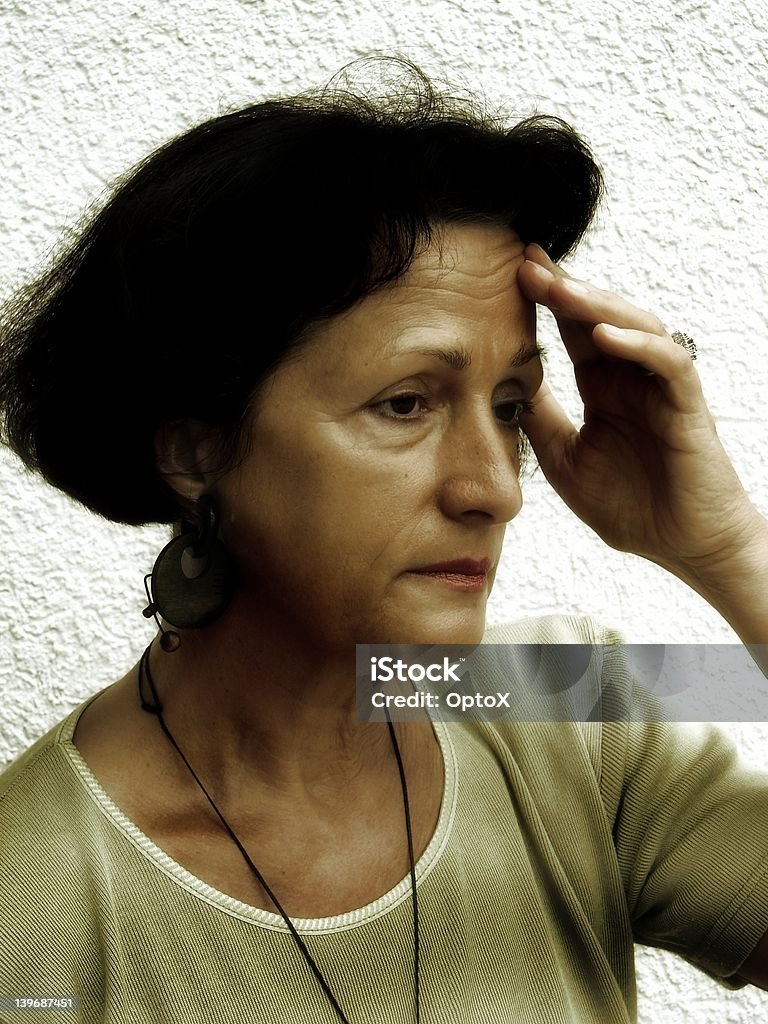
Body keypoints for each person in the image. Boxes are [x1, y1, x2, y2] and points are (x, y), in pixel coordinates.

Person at [0, 56, 767, 1024]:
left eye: (511, 406)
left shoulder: (569, 696)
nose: (494, 490)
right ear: (197, 447)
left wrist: (730, 549)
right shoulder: (33, 900)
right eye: (406, 403)